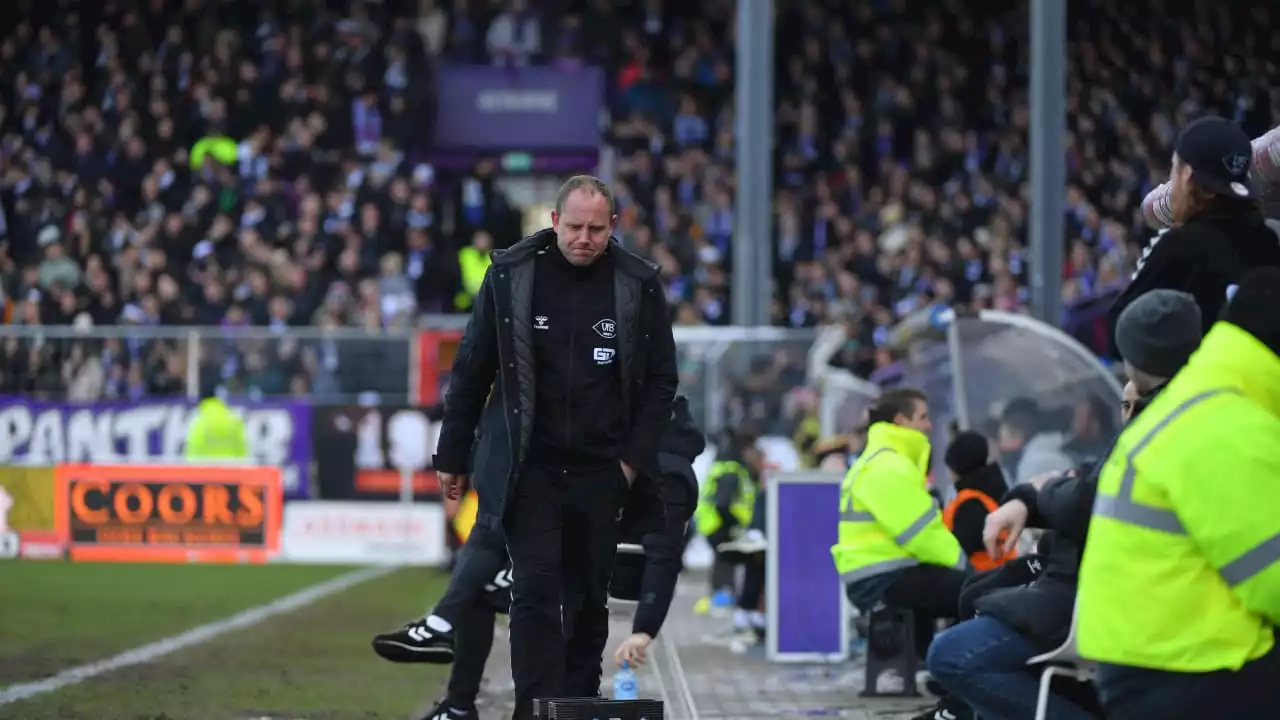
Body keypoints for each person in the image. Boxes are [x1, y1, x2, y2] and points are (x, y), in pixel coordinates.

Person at [430, 175, 678, 719]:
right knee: (535, 593)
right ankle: (534, 709)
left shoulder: (639, 283)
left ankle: (575, 707)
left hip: (602, 470)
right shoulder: (511, 276)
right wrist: (452, 454)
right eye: (574, 227)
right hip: (530, 468)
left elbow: (662, 381)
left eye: (596, 228)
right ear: (554, 222)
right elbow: (473, 367)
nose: (584, 238)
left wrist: (630, 465)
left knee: (589, 601)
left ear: (613, 227)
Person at [927, 288, 1205, 720]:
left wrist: (1037, 494)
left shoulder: (1163, 431)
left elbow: (1083, 496)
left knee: (953, 654)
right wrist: (1029, 497)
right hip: (1079, 589)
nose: (1127, 412)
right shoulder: (1170, 419)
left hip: (1093, 599)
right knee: (977, 599)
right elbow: (1080, 482)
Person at [372, 396, 704, 720]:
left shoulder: (667, 475)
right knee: (485, 581)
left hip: (598, 581)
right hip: (569, 565)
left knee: (491, 589)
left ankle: (467, 693)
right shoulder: (616, 449)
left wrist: (644, 629)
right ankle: (460, 702)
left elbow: (664, 556)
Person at [1077, 268, 1280, 719]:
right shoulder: (1228, 425)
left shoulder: (1203, 402)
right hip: (1188, 666)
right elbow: (1272, 576)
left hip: (1153, 653)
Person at [1108, 116, 1280, 349]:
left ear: (1187, 176)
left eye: (1174, 168)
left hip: (1204, 383)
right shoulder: (1268, 242)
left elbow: (1119, 330)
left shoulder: (1181, 246)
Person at [832, 388, 967, 662]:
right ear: (901, 421)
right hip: (884, 576)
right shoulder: (888, 465)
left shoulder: (879, 460)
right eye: (923, 417)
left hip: (878, 573)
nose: (929, 426)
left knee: (952, 585)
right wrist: (966, 565)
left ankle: (926, 663)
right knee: (977, 591)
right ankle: (955, 668)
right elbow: (921, 533)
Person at [692, 432, 762, 617]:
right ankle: (723, 598)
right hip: (720, 524)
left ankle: (721, 597)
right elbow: (723, 504)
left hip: (714, 523)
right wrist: (735, 523)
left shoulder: (726, 466)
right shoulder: (732, 471)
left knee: (722, 561)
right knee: (726, 561)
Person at [940, 431, 1012, 573]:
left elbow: (956, 550)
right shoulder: (995, 491)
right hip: (1004, 573)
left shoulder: (968, 504)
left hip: (983, 582)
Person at [183, 389, 249, 461]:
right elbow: (241, 446)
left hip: (205, 468)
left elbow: (193, 448)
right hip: (230, 468)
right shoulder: (233, 418)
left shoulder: (200, 418)